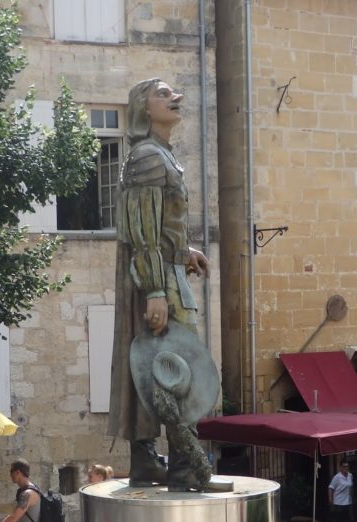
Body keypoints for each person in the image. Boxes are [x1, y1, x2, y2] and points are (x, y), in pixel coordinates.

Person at [107, 77, 214, 492]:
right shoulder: (148, 157)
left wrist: (184, 251)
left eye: (174, 93)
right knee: (178, 369)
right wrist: (154, 289)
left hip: (168, 272)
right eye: (163, 94)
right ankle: (185, 465)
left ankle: (146, 461)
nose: (176, 98)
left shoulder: (161, 156)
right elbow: (142, 231)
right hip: (159, 281)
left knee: (167, 367)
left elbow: (160, 224)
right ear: (142, 108)